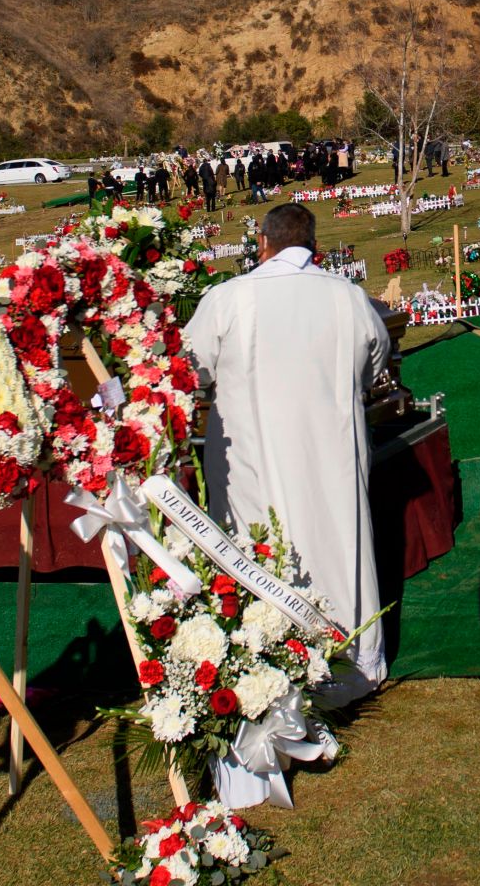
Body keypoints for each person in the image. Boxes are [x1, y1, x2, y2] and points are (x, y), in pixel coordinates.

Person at [185, 203, 393, 708]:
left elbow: (192, 367)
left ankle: (261, 659)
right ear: (314, 245)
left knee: (258, 546)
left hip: (256, 457)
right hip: (331, 452)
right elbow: (377, 361)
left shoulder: (228, 297)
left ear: (263, 243)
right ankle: (351, 657)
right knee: (338, 540)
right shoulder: (349, 298)